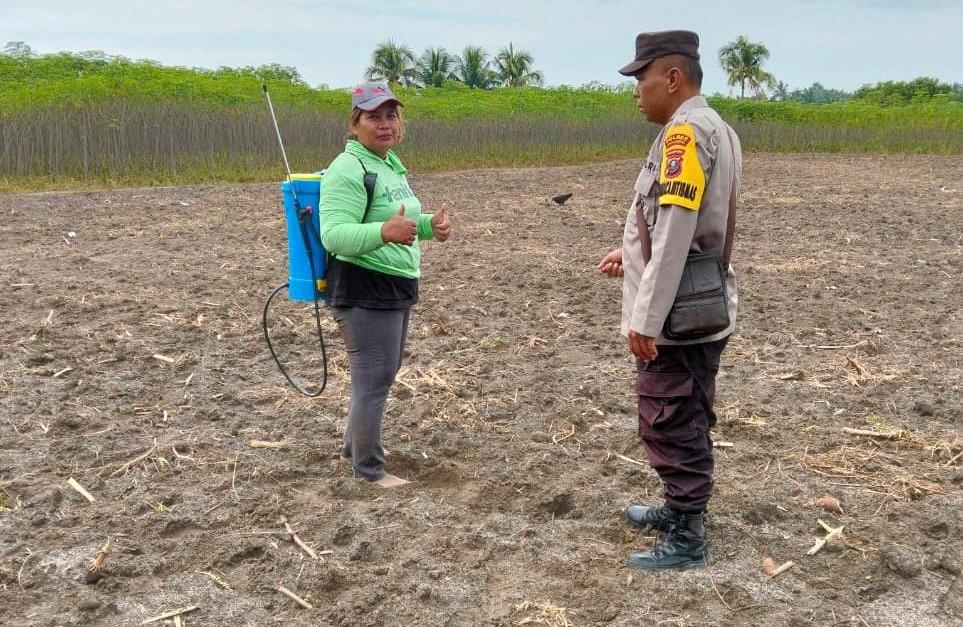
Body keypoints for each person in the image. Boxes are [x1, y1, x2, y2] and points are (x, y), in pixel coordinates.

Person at [598, 30, 742, 570]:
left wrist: (646, 319)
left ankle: (687, 534)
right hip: (701, 299)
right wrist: (630, 251)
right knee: (687, 409)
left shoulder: (684, 135)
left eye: (642, 77)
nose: (637, 90)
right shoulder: (718, 128)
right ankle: (679, 507)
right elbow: (686, 221)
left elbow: (679, 229)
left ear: (672, 78)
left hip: (677, 314)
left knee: (668, 415)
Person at [319, 81, 452, 488]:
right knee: (373, 379)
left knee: (379, 375)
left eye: (391, 115)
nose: (384, 124)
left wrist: (429, 226)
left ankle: (352, 449)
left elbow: (401, 223)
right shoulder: (348, 168)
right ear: (354, 124)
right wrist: (383, 232)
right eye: (373, 116)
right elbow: (334, 234)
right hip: (364, 288)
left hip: (394, 287)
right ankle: (369, 470)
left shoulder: (390, 165)